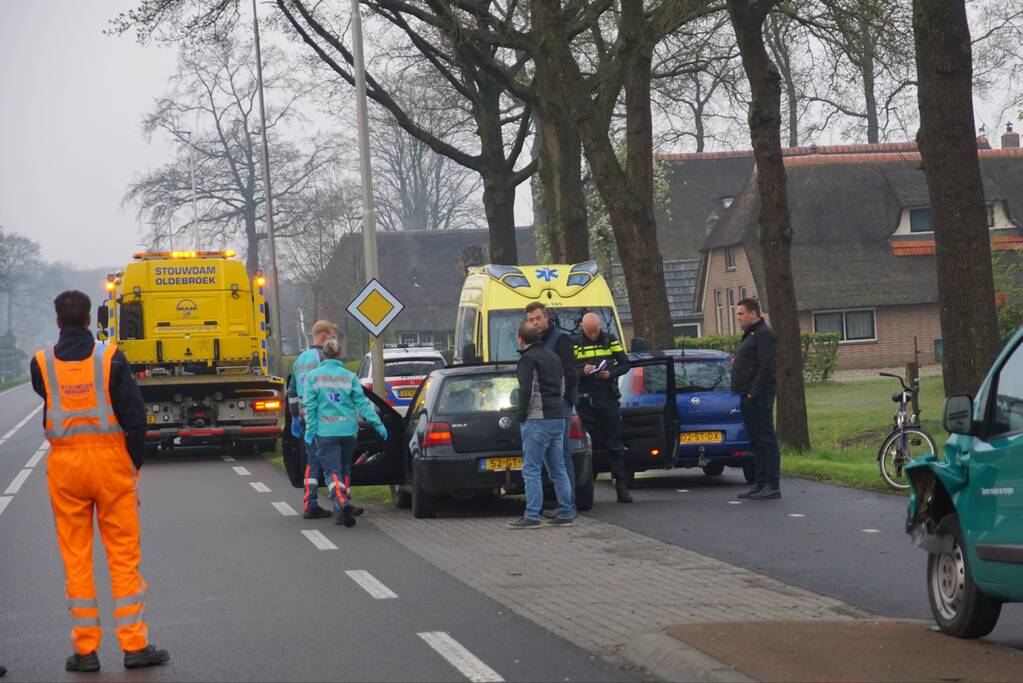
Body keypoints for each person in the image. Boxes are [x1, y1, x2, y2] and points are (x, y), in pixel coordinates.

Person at [29, 290, 169, 672]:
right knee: (123, 556)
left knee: (76, 559)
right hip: (110, 464)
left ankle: (86, 650)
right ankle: (134, 645)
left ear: (58, 321)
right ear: (89, 319)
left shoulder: (41, 362)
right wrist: (132, 466)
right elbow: (135, 418)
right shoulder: (110, 358)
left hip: (65, 468)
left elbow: (48, 395)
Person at [302, 338, 388, 527]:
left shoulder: (313, 377)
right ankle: (341, 511)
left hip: (325, 433)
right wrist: (378, 424)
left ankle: (342, 502)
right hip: (349, 432)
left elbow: (310, 407)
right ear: (339, 355)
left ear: (323, 355)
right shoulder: (349, 377)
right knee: (344, 469)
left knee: (332, 472)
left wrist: (310, 431)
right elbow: (363, 404)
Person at [510, 322, 574, 529]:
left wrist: (521, 415)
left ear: (521, 339)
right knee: (558, 469)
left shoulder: (528, 359)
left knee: (531, 469)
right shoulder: (553, 356)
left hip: (537, 418)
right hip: (558, 416)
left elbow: (525, 390)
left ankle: (532, 515)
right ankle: (566, 511)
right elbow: (563, 385)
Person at [525, 302, 579, 513]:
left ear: (546, 317)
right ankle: (561, 504)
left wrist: (561, 395)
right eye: (531, 320)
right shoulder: (535, 342)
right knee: (552, 457)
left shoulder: (560, 339)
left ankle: (569, 504)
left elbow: (571, 373)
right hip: (544, 407)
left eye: (538, 318)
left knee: (562, 454)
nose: (535, 323)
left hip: (559, 405)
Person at [574, 312, 633, 503]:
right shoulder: (575, 343)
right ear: (583, 328)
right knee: (585, 446)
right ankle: (585, 488)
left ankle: (622, 487)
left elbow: (625, 363)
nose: (593, 334)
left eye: (595, 330)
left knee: (615, 444)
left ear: (599, 327)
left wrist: (611, 373)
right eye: (589, 331)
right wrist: (583, 371)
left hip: (607, 396)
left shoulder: (609, 339)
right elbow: (568, 370)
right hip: (585, 400)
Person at [732, 298, 781, 500]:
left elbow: (766, 366)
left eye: (741, 314)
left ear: (753, 314)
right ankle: (759, 482)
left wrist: (754, 392)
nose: (739, 318)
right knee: (755, 440)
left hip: (758, 395)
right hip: (746, 394)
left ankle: (772, 483)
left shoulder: (764, 335)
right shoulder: (751, 334)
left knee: (766, 439)